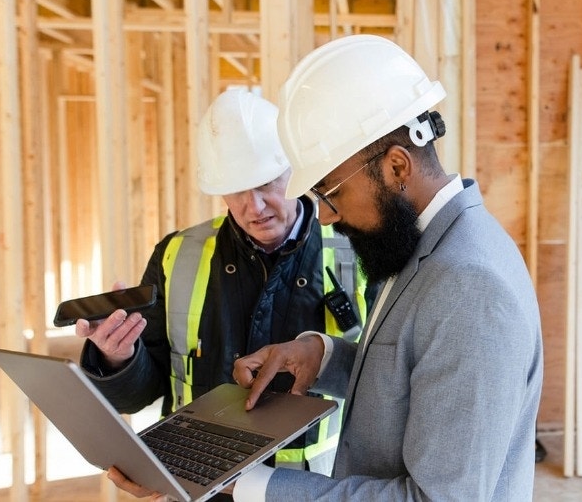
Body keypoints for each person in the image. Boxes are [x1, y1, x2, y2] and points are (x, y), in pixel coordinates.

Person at [227, 34, 544, 500]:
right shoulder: (425, 245)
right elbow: (420, 370)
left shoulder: (468, 285)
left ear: (397, 167)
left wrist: (254, 485)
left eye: (331, 194)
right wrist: (326, 356)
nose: (328, 217)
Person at [75, 88, 373, 486]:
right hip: (199, 485)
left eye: (267, 184)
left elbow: (386, 381)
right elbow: (139, 393)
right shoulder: (176, 254)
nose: (256, 207)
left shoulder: (361, 254)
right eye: (236, 190)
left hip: (309, 488)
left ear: (294, 170)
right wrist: (118, 361)